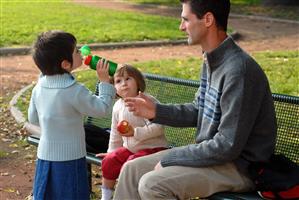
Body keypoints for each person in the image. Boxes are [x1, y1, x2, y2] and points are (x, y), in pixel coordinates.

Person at [114, 0, 277, 199]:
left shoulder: (238, 71)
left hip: (240, 167)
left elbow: (227, 146)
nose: (181, 27)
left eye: (185, 20)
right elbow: (198, 110)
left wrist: (171, 158)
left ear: (208, 19)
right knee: (132, 170)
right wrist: (156, 111)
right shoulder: (211, 59)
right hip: (211, 156)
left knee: (152, 184)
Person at [28, 30, 116, 199]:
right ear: (66, 64)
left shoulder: (38, 88)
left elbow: (33, 118)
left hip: (45, 157)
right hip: (71, 158)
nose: (81, 51)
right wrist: (105, 82)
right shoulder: (74, 91)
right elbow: (102, 108)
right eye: (76, 51)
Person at [96, 64, 168, 200]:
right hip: (130, 149)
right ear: (114, 88)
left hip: (153, 149)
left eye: (128, 79)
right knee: (109, 161)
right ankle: (106, 196)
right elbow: (115, 133)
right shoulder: (117, 106)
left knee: (130, 163)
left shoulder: (147, 101)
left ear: (138, 82)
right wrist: (111, 152)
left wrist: (135, 132)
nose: (123, 84)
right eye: (118, 81)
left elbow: (158, 128)